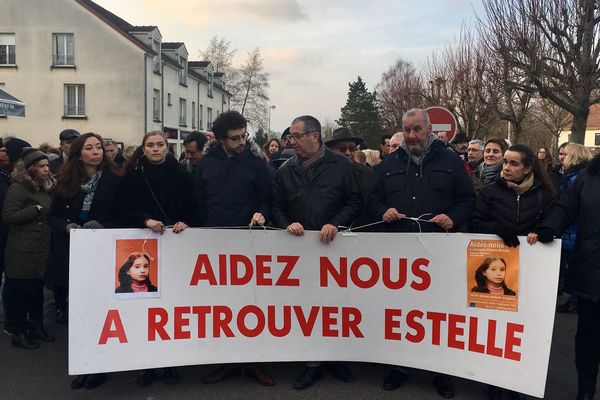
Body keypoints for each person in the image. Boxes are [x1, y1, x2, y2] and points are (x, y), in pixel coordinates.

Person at [368, 108, 475, 399]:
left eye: (417, 129)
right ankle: (400, 366)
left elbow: (468, 200)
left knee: (439, 314)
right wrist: (382, 210)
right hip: (400, 256)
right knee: (402, 314)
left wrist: (453, 217)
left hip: (439, 253)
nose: (412, 135)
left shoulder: (451, 161)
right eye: (407, 129)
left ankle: (441, 371)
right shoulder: (389, 163)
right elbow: (372, 200)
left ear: (428, 129)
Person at [271, 115, 361, 390]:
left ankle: (336, 358)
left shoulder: (341, 166)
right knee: (307, 309)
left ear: (315, 136)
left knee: (335, 308)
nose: (292, 141)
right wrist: (287, 224)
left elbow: (355, 200)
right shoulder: (285, 170)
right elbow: (275, 206)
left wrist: (336, 223)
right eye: (291, 137)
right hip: (299, 253)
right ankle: (312, 364)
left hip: (333, 250)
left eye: (297, 136)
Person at [469, 144, 555, 400]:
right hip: (496, 270)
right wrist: (498, 229)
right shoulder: (490, 191)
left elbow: (551, 226)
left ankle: (518, 381)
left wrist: (542, 233)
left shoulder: (545, 195)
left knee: (522, 330)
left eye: (514, 163)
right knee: (495, 330)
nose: (506, 167)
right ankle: (494, 382)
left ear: (528, 168)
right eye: (505, 162)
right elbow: (474, 223)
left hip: (529, 273)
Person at [195, 111, 273, 386]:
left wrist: (261, 214)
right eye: (235, 138)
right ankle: (226, 361)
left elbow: (266, 199)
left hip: (250, 242)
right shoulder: (205, 165)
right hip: (215, 243)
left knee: (252, 304)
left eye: (244, 136)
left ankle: (255, 362)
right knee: (222, 307)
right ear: (220, 140)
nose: (242, 142)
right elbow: (199, 201)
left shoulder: (256, 164)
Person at [118, 130, 196, 386]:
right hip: (144, 245)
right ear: (143, 148)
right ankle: (146, 364)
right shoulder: (133, 176)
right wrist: (144, 220)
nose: (155, 149)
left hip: (175, 245)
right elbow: (123, 208)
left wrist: (186, 221)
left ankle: (170, 361)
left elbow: (194, 207)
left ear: (167, 147)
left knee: (172, 307)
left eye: (159, 144)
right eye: (150, 145)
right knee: (145, 308)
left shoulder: (182, 174)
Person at [532, 150, 600, 400]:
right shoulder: (588, 177)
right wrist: (548, 229)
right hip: (592, 272)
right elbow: (566, 209)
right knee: (588, 339)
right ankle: (585, 391)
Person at [2, 148, 55, 350]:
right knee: (21, 292)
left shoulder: (44, 188)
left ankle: (36, 325)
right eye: (41, 166)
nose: (46, 169)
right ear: (31, 168)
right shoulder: (18, 188)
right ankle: (19, 331)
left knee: (36, 291)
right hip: (22, 249)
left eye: (47, 166)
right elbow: (9, 216)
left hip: (41, 247)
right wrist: (35, 209)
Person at [554, 143, 592, 313]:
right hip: (574, 229)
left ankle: (575, 301)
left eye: (566, 154)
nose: (562, 157)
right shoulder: (578, 175)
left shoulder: (576, 178)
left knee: (574, 265)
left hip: (574, 229)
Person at [325, 127, 377, 230]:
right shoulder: (323, 173)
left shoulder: (368, 173)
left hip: (362, 231)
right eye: (342, 149)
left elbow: (372, 203)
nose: (348, 153)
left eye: (352, 148)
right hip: (330, 231)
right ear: (332, 150)